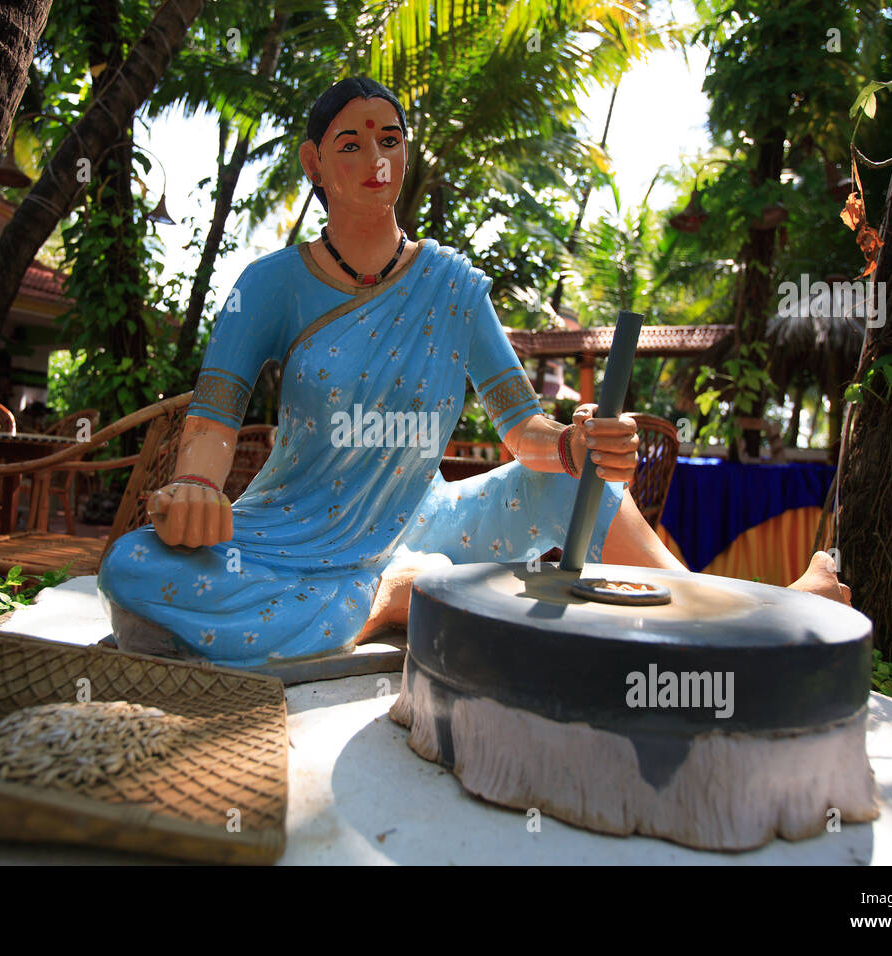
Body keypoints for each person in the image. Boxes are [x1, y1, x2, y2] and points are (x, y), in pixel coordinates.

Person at [97, 77, 850, 667]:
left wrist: (573, 446)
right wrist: (197, 485)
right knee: (135, 568)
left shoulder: (452, 285)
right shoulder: (268, 284)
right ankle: (389, 598)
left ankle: (762, 613)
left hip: (430, 524)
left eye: (389, 139)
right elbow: (212, 419)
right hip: (289, 533)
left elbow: (525, 428)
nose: (375, 158)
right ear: (313, 162)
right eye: (350, 143)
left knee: (571, 483)